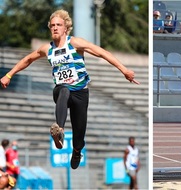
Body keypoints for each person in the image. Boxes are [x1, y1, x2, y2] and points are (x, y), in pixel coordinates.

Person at [0, 9, 139, 170]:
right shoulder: (48, 49)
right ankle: (59, 131)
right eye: (52, 25)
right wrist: (9, 75)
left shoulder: (75, 43)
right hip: (61, 92)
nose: (55, 28)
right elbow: (28, 59)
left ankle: (77, 150)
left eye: (58, 25)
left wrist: (124, 71)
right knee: (64, 89)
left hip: (80, 93)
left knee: (79, 134)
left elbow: (101, 53)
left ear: (66, 28)